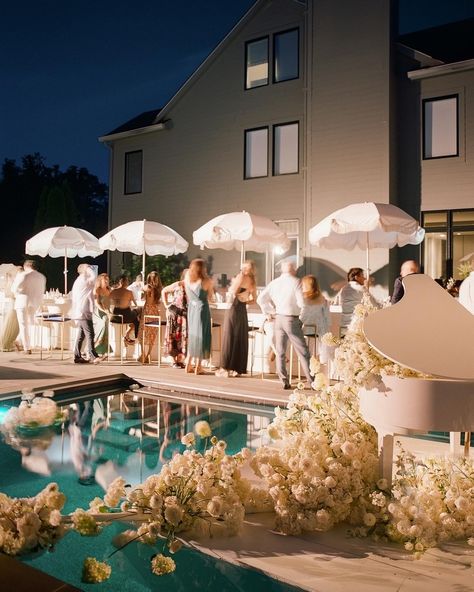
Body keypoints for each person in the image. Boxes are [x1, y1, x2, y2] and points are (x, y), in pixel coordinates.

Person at [257, 261, 315, 390]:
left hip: (278, 319)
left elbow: (260, 299)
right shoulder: (296, 282)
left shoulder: (274, 283)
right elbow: (302, 304)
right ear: (293, 269)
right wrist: (302, 319)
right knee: (303, 352)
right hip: (291, 319)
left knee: (280, 352)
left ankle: (284, 381)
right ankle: (312, 382)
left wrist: (269, 312)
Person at [216, 260, 257, 378]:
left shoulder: (241, 276)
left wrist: (233, 291)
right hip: (242, 309)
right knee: (240, 336)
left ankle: (225, 368)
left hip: (234, 307)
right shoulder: (253, 281)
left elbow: (233, 292)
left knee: (229, 335)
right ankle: (237, 368)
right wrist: (244, 300)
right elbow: (254, 300)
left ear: (245, 268)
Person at [184, 258, 214, 374]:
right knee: (202, 336)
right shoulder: (206, 281)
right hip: (202, 309)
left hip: (191, 309)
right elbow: (211, 297)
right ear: (202, 269)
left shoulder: (187, 278)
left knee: (193, 336)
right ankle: (198, 367)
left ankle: (188, 365)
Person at [11, 260, 46, 354]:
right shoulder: (41, 277)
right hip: (35, 303)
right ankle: (18, 340)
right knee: (29, 324)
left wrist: (18, 292)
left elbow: (14, 288)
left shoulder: (23, 275)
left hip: (22, 302)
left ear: (26, 266)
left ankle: (27, 348)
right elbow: (41, 291)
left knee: (23, 324)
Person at [71, 264, 100, 364]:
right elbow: (95, 278)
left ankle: (77, 356)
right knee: (90, 333)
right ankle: (93, 355)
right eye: (88, 268)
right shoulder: (83, 279)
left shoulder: (80, 280)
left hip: (82, 310)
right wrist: (88, 269)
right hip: (83, 310)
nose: (91, 269)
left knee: (81, 334)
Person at [337, 267, 377, 336]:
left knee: (343, 346)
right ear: (356, 277)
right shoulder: (361, 289)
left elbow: (339, 303)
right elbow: (374, 304)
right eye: (362, 276)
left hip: (343, 326)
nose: (364, 278)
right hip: (355, 327)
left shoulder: (343, 290)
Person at [162, 269, 188, 368]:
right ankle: (173, 360)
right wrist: (166, 305)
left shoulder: (192, 287)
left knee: (182, 337)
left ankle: (180, 360)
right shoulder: (178, 284)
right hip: (174, 313)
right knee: (172, 336)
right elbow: (164, 290)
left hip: (184, 315)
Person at [300, 274, 330, 355]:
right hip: (319, 331)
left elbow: (302, 317)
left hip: (306, 330)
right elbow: (328, 319)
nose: (301, 287)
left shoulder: (303, 300)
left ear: (306, 286)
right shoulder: (324, 300)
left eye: (302, 285)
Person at [137, 270, 163, 363]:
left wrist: (141, 287)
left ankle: (143, 355)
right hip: (155, 312)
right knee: (152, 335)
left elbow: (142, 297)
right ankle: (148, 355)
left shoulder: (148, 287)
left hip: (148, 311)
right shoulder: (159, 289)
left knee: (142, 333)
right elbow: (157, 302)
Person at [109, 275, 139, 345]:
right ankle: (135, 338)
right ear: (125, 282)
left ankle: (127, 336)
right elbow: (135, 304)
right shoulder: (129, 292)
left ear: (120, 282)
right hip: (126, 317)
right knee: (137, 316)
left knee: (135, 317)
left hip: (115, 317)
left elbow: (108, 302)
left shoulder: (113, 291)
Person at [93, 273, 111, 357]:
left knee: (106, 322)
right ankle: (94, 346)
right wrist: (105, 311)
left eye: (107, 279)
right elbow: (96, 303)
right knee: (103, 323)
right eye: (105, 279)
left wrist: (108, 311)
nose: (107, 281)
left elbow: (109, 302)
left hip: (106, 311)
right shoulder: (97, 290)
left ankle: (103, 350)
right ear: (100, 281)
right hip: (97, 312)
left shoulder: (109, 290)